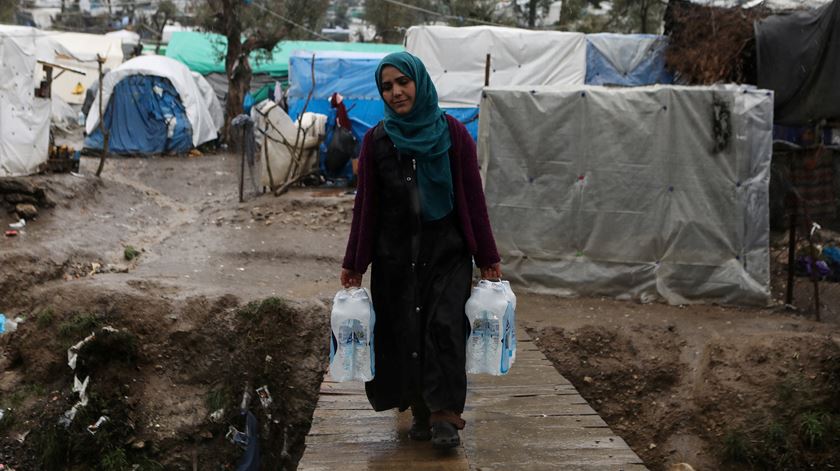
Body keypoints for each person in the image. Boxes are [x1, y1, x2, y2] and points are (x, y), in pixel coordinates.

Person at [340, 51, 502, 449]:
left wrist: (487, 257)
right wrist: (354, 263)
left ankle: (446, 415)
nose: (396, 92)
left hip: (446, 251)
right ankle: (420, 409)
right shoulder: (376, 141)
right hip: (396, 256)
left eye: (402, 83)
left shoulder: (453, 135)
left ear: (419, 83)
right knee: (404, 332)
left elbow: (472, 199)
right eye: (387, 87)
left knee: (444, 327)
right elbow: (366, 208)